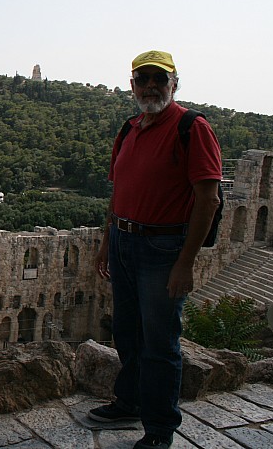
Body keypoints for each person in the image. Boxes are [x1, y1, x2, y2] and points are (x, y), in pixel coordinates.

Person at [89, 50, 222, 448]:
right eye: (143, 80)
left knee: (160, 342)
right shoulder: (130, 128)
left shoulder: (191, 126)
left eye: (158, 80)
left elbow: (208, 198)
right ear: (132, 86)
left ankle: (160, 428)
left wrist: (186, 263)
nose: (150, 87)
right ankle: (128, 401)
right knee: (128, 333)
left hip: (163, 247)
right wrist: (105, 243)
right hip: (124, 241)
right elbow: (120, 191)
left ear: (173, 84)